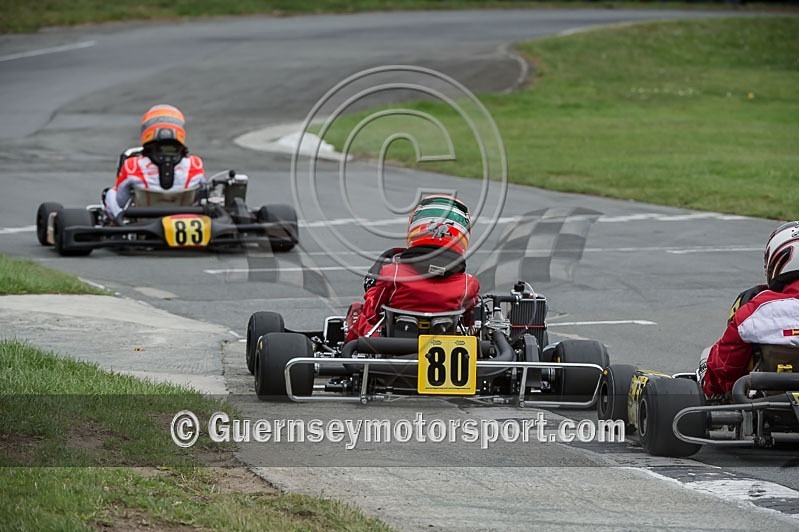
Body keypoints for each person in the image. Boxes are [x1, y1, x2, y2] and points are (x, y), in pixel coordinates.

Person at [345, 194, 480, 342]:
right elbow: (470, 323)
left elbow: (372, 314)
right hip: (447, 348)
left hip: (393, 349)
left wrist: (372, 289)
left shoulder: (392, 273)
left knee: (358, 310)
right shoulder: (468, 284)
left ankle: (347, 343)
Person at [702, 221, 799, 397]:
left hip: (772, 407)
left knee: (709, 355)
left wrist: (714, 389)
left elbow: (725, 368)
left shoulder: (756, 309)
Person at [104, 104, 206, 221]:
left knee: (111, 193)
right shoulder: (195, 164)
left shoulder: (132, 165)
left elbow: (121, 201)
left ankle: (118, 222)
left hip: (143, 223)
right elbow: (201, 196)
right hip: (185, 221)